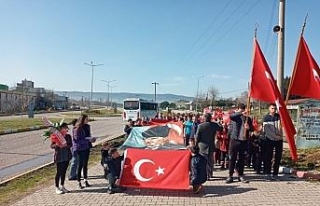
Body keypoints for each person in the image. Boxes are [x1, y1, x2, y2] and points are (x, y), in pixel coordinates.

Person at [226, 103, 253, 184]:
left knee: (242, 159)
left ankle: (240, 175)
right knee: (232, 158)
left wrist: (249, 128)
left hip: (243, 140)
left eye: (244, 110)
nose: (244, 112)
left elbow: (252, 128)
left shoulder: (248, 119)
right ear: (238, 109)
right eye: (241, 110)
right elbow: (231, 116)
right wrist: (240, 113)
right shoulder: (235, 117)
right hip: (235, 140)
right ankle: (230, 175)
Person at [195, 113, 223, 179]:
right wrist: (218, 122)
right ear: (210, 118)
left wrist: (196, 144)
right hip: (211, 145)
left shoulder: (200, 126)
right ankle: (210, 175)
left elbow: (197, 137)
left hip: (202, 146)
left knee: (203, 161)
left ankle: (204, 175)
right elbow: (221, 129)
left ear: (204, 118)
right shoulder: (214, 125)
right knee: (210, 161)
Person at [73, 114, 96, 189]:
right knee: (80, 164)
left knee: (85, 164)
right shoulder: (77, 128)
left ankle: (85, 180)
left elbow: (88, 136)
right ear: (82, 120)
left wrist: (92, 139)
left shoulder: (87, 126)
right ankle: (79, 181)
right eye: (86, 119)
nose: (88, 120)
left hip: (87, 147)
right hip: (80, 148)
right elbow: (77, 140)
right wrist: (87, 140)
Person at [50, 123, 72, 194]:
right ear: (61, 128)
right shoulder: (56, 136)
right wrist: (57, 145)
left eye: (67, 128)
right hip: (59, 156)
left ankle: (62, 185)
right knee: (59, 172)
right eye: (64, 128)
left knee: (64, 172)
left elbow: (70, 144)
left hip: (66, 156)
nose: (66, 129)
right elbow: (52, 145)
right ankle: (57, 187)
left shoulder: (68, 136)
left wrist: (65, 145)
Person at [263, 103, 283, 181]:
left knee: (278, 157)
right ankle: (267, 173)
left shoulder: (279, 116)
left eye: (275, 108)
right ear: (269, 109)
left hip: (279, 140)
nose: (273, 110)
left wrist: (279, 136)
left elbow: (282, 127)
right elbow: (266, 129)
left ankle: (275, 173)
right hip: (270, 139)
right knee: (269, 156)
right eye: (272, 108)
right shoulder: (266, 118)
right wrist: (275, 136)